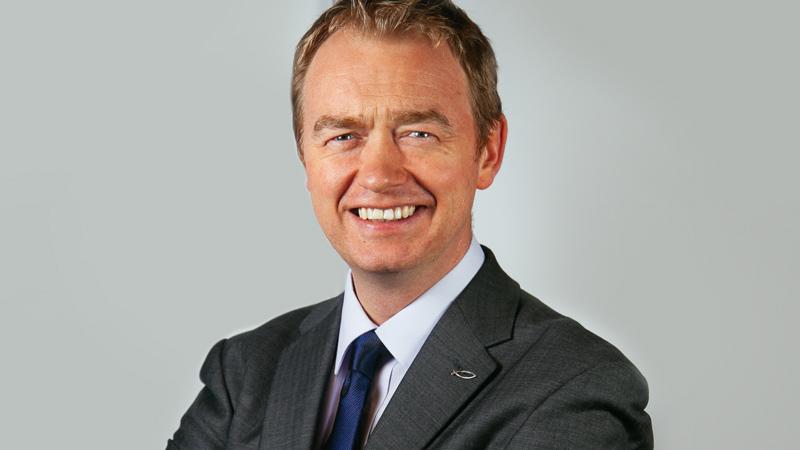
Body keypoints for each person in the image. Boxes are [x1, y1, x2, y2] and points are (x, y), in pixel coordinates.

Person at [167, 1, 654, 448]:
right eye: (343, 136)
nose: (379, 175)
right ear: (305, 158)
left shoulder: (574, 389)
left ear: (488, 151)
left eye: (419, 133)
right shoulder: (244, 374)